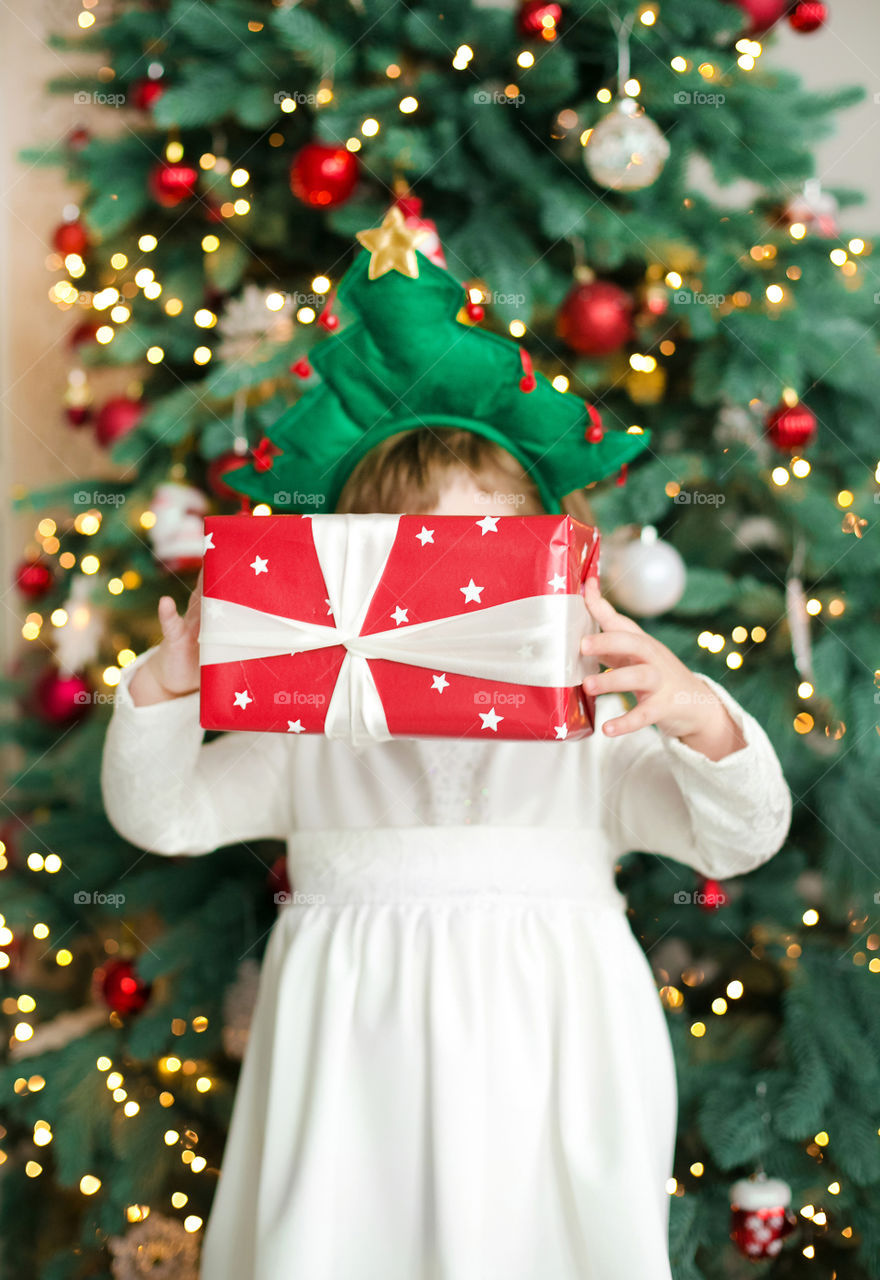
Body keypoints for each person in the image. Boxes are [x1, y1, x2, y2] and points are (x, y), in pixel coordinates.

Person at [100, 425, 791, 1280]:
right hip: (351, 1071)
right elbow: (164, 816)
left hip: (552, 1058)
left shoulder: (598, 730)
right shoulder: (310, 730)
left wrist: (698, 715)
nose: (447, 601)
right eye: (408, 569)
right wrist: (166, 689)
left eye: (483, 563)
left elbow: (742, 837)